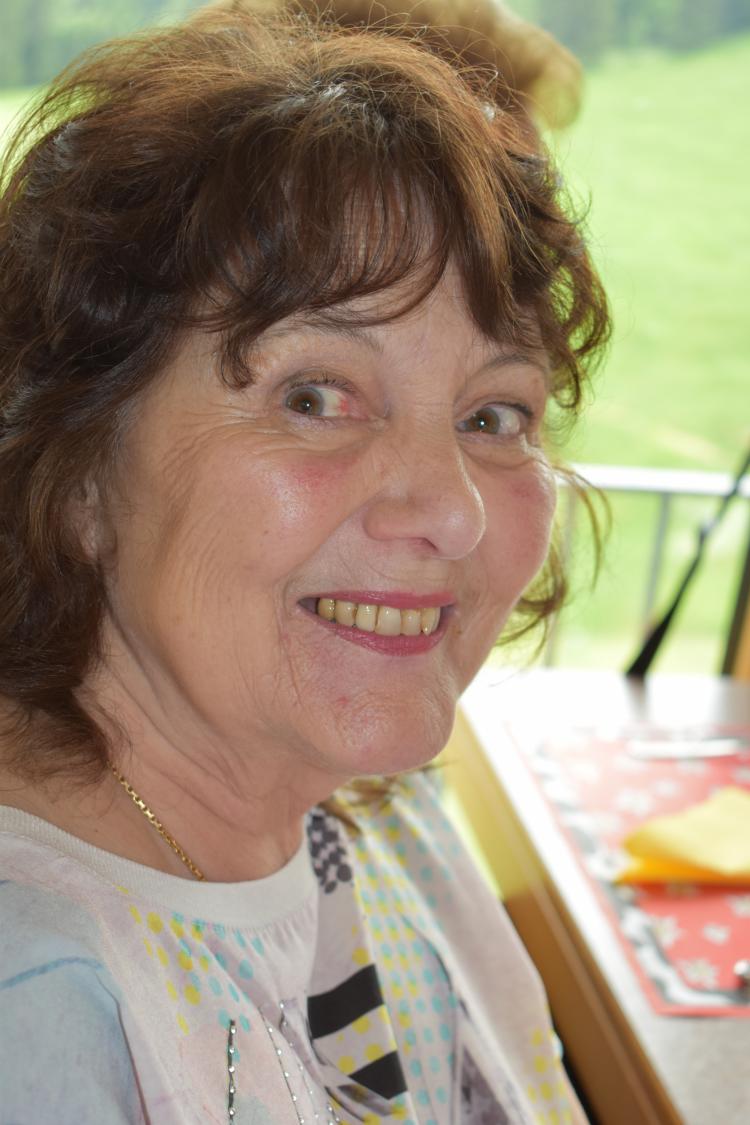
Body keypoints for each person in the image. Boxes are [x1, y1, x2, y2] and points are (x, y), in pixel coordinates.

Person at [0, 1, 608, 1121]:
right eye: (315, 396)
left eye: (495, 415)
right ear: (74, 468)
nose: (455, 512)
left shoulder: (348, 823)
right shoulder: (40, 1003)